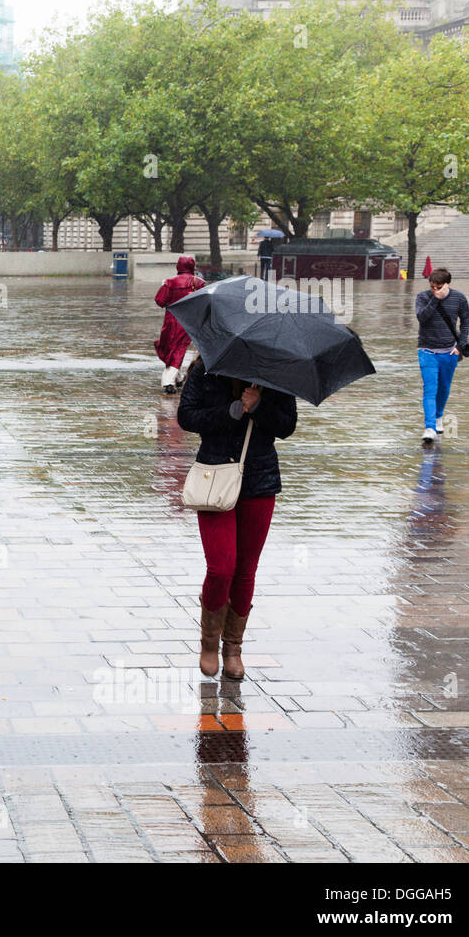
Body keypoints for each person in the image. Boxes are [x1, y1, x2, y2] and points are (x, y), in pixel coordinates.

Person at [178, 358, 297, 679]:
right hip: (214, 477)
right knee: (221, 567)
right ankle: (208, 643)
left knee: (245, 571)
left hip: (259, 481)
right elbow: (186, 417)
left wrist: (259, 407)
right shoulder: (206, 369)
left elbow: (286, 426)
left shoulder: (275, 373)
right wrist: (230, 412)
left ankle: (233, 647)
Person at [415, 268, 469, 445]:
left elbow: (466, 322)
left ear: (447, 284)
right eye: (432, 287)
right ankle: (429, 427)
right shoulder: (423, 297)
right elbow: (422, 318)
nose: (435, 290)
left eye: (438, 287)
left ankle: (439, 416)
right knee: (430, 389)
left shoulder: (459, 298)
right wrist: (434, 300)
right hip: (427, 350)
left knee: (444, 388)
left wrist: (460, 347)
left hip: (449, 351)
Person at [153, 256, 205, 393]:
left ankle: (168, 381)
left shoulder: (169, 282)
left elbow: (160, 300)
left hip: (171, 321)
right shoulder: (199, 283)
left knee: (171, 349)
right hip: (189, 320)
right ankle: (177, 377)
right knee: (178, 349)